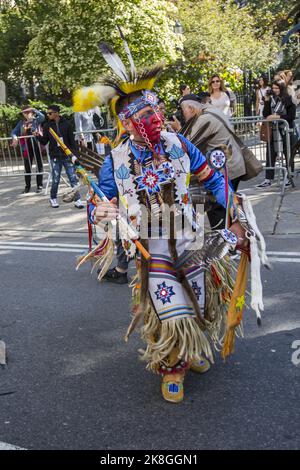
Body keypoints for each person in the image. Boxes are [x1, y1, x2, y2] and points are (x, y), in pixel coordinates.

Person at [73, 41, 267, 404]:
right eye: (144, 115)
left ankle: (190, 353)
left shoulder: (179, 143)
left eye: (155, 111)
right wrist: (101, 212)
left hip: (191, 235)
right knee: (170, 309)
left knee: (197, 300)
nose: (153, 120)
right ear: (127, 122)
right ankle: (171, 364)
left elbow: (214, 180)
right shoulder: (115, 160)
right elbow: (99, 202)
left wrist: (238, 215)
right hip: (152, 242)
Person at [36, 105, 84, 208]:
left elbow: (72, 141)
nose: (48, 115)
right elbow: (44, 141)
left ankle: (77, 199)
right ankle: (53, 198)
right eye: (47, 113)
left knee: (72, 178)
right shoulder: (47, 126)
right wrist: (37, 136)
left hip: (67, 156)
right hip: (55, 156)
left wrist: (74, 156)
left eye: (50, 113)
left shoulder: (67, 124)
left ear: (57, 113)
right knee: (56, 179)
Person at [257, 80, 296, 188]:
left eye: (277, 88)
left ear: (282, 88)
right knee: (270, 153)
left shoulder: (288, 99)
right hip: (273, 130)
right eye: (273, 88)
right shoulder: (272, 99)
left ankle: (289, 177)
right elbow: (265, 114)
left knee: (287, 153)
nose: (274, 90)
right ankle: (268, 179)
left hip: (285, 130)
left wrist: (278, 117)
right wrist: (267, 101)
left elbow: (292, 116)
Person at [11, 105, 45, 194]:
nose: (26, 114)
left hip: (37, 145)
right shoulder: (21, 123)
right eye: (24, 113)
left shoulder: (36, 120)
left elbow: (43, 117)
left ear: (32, 112)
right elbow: (14, 132)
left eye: (27, 112)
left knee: (39, 166)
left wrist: (33, 109)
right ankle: (27, 186)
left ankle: (39, 186)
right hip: (26, 147)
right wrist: (14, 137)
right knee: (27, 167)